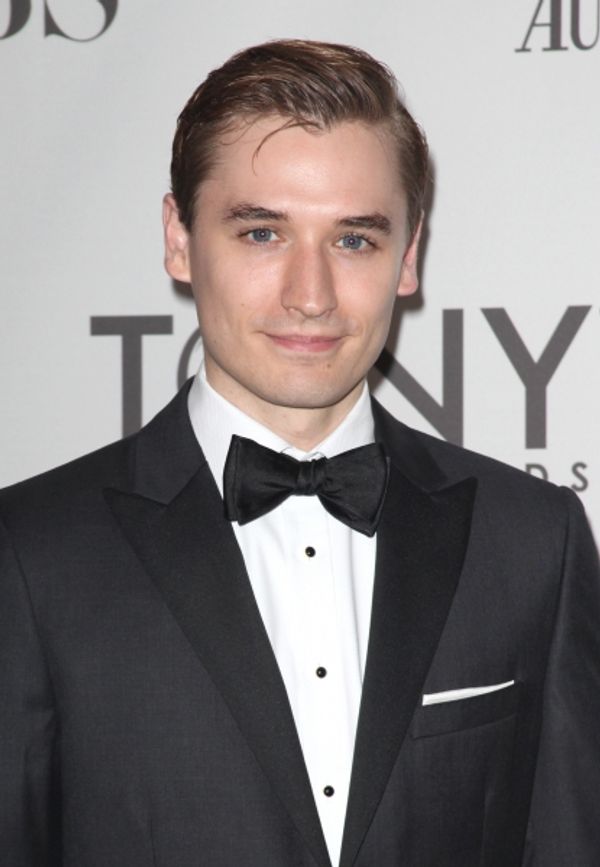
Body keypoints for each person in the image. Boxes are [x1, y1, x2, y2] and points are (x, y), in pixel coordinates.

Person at [1, 39, 599, 867]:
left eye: (353, 240)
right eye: (260, 233)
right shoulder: (29, 554)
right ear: (178, 239)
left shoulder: (536, 541)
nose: (310, 295)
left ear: (409, 255)